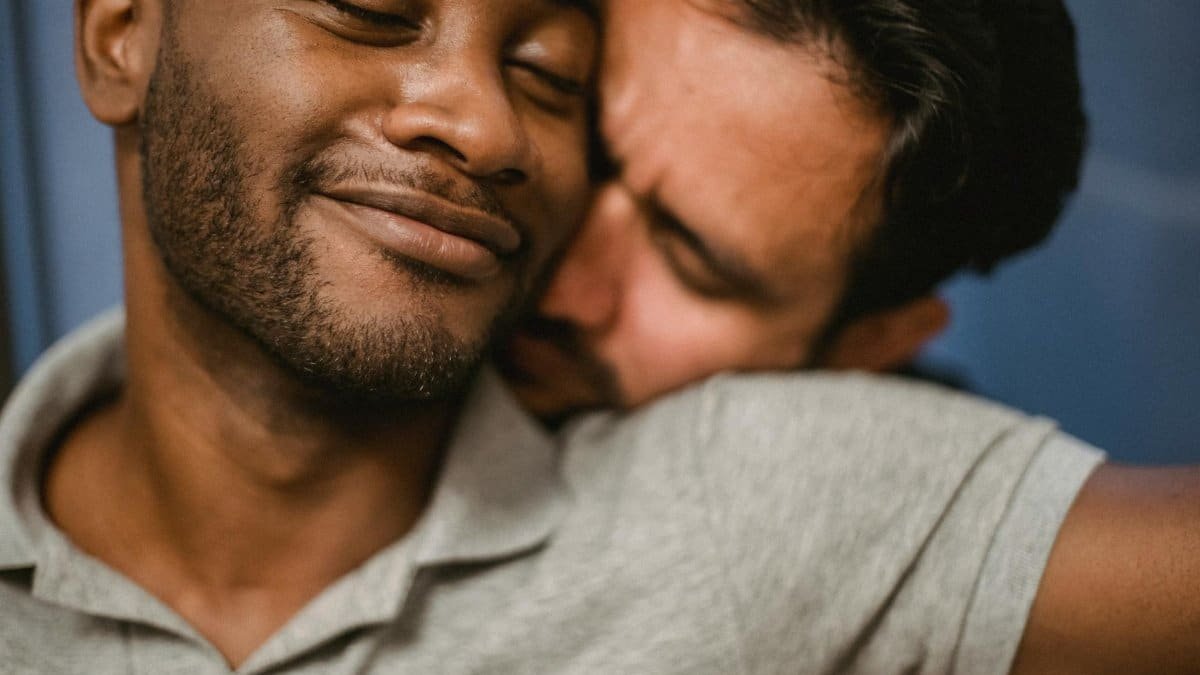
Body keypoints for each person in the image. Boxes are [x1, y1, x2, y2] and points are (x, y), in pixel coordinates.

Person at [497, 0, 1200, 673]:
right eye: (572, 118)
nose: (559, 283)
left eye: (692, 264)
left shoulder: (811, 501)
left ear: (873, 344)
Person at [1, 0, 597, 670]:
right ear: (118, 37)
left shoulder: (711, 517)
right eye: (369, 11)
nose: (488, 129)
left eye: (549, 72)